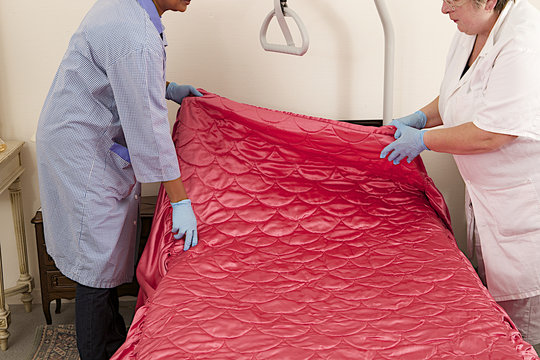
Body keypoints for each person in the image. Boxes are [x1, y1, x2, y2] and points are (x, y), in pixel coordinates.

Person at [36, 0, 200, 358]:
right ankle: (98, 350)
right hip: (81, 150)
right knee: (96, 264)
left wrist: (166, 87)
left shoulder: (126, 8)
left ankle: (112, 340)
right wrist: (181, 200)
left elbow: (122, 74)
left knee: (101, 257)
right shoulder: (133, 31)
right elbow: (151, 131)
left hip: (80, 135)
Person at [380, 0, 540, 350]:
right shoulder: (472, 28)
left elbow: (493, 133)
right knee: (492, 309)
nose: (442, 8)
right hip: (488, 198)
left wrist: (423, 140)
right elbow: (458, 93)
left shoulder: (524, 43)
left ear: (485, 0)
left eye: (451, 0)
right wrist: (420, 118)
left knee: (524, 332)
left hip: (523, 205)